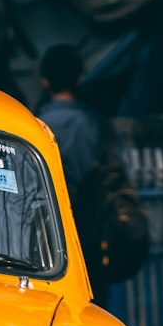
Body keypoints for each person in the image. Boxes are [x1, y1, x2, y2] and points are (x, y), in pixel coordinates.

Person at [36, 43, 114, 306]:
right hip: (89, 232)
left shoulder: (35, 125)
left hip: (45, 237)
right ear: (80, 78)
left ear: (45, 81)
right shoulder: (95, 126)